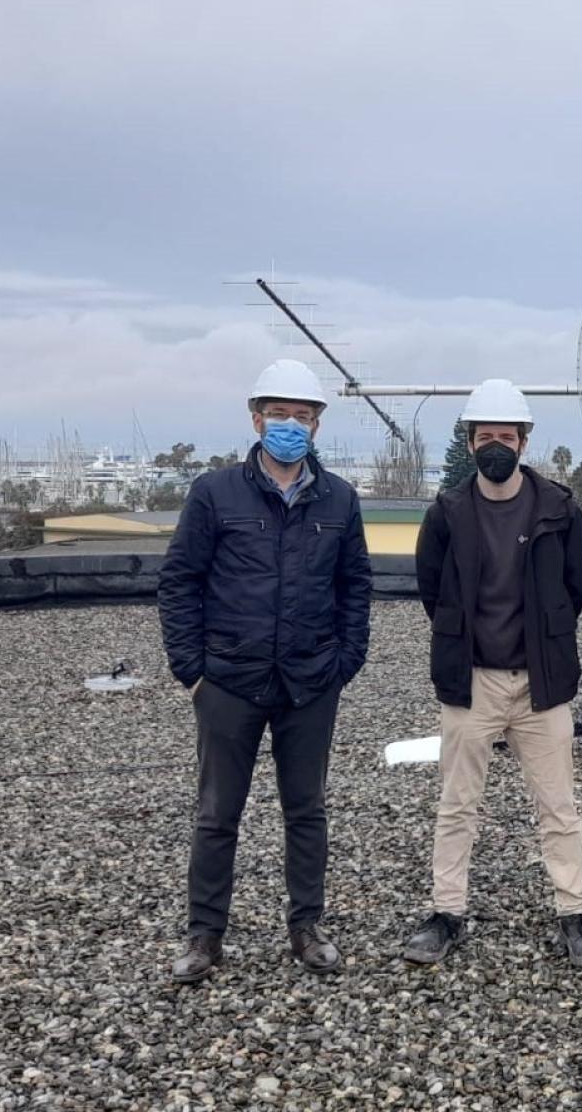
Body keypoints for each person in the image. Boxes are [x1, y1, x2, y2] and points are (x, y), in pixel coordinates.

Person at [158, 358, 372, 981]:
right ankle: (205, 935)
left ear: (317, 426)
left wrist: (344, 662)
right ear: (256, 420)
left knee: (306, 810)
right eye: (279, 415)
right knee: (217, 813)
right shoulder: (215, 492)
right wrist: (192, 671)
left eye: (302, 417)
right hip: (229, 681)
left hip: (310, 682)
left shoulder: (339, 499)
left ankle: (307, 927)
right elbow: (180, 581)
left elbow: (355, 586)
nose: (290, 426)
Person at [404, 380, 582, 969]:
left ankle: (574, 912)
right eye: (485, 436)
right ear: (471, 443)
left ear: (524, 441)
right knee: (457, 804)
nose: (496, 445)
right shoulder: (447, 512)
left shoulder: (558, 509)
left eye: (506, 436)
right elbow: (432, 588)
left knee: (559, 805)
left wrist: (544, 641)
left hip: (540, 684)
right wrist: (462, 642)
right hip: (472, 682)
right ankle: (446, 912)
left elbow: (573, 587)